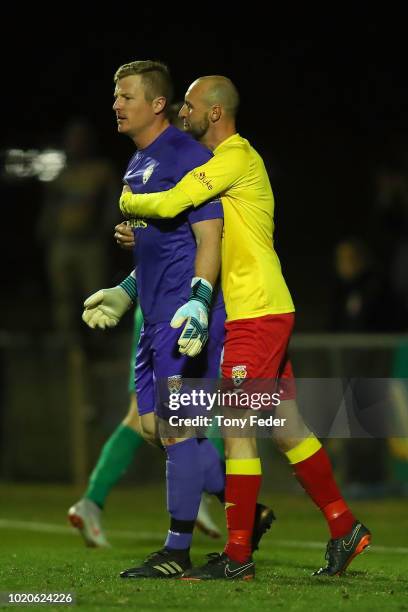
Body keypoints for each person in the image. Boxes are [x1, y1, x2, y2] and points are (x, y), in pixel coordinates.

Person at [119, 75, 371, 579]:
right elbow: (187, 228)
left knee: (235, 427)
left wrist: (130, 203)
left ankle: (237, 556)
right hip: (262, 308)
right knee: (284, 426)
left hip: (256, 311)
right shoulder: (221, 165)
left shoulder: (235, 157)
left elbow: (169, 202)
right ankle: (344, 527)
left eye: (188, 106)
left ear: (214, 113)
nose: (182, 113)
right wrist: (139, 241)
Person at [79, 61, 273, 579]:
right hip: (152, 315)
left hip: (182, 317)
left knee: (178, 431)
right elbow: (160, 244)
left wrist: (200, 302)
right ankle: (244, 508)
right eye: (115, 96)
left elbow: (210, 237)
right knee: (150, 426)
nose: (116, 105)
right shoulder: (138, 162)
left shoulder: (189, 155)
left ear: (156, 104)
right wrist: (125, 290)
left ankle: (176, 550)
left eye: (126, 96)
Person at [67, 103, 222, 547]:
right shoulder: (181, 162)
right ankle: (219, 500)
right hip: (172, 303)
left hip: (155, 303)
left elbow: (158, 225)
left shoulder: (170, 163)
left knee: (157, 418)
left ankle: (98, 500)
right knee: (175, 415)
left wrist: (146, 231)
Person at [68, 304, 222, 546]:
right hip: (182, 310)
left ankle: (91, 503)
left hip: (155, 305)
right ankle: (197, 492)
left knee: (145, 417)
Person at [37, 119, 118, 335]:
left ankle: (97, 343)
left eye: (81, 139)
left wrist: (106, 230)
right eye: (72, 139)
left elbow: (113, 204)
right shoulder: (62, 174)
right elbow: (51, 205)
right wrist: (46, 230)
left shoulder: (102, 171)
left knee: (94, 296)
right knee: (63, 296)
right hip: (62, 242)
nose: (76, 144)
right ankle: (69, 344)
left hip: (91, 243)